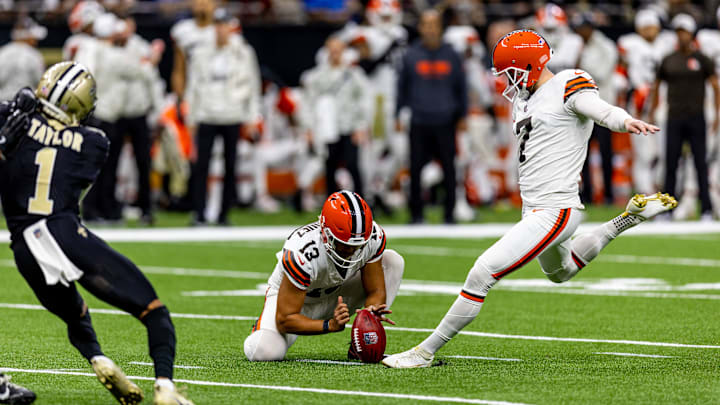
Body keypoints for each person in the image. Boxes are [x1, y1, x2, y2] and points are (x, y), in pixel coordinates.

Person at [382, 29, 677, 368]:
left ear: (529, 66)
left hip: (556, 209)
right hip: (536, 208)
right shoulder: (527, 97)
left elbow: (597, 108)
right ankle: (627, 219)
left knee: (481, 273)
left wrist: (625, 121)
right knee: (561, 272)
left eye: (510, 72)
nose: (507, 81)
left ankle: (424, 352)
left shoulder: (568, 82)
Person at [0, 62, 193, 404]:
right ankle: (165, 387)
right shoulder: (95, 142)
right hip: (65, 234)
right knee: (153, 311)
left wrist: (11, 120)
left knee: (76, 313)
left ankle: (98, 358)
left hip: (25, 248)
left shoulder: (14, 128)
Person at [244, 191, 404, 361]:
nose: (351, 252)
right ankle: (261, 329)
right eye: (343, 245)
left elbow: (376, 291)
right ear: (326, 233)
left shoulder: (372, 237)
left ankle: (359, 346)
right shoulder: (301, 251)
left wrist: (370, 316)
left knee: (392, 261)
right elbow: (285, 319)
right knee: (264, 352)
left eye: (357, 246)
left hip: (338, 294)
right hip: (299, 303)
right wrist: (329, 325)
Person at [186, 8, 261, 225]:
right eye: (217, 24)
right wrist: (191, 117)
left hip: (232, 114)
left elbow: (253, 86)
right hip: (207, 114)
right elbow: (193, 85)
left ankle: (224, 213)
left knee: (231, 165)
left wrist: (252, 118)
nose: (220, 29)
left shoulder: (243, 53)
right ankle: (199, 212)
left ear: (231, 27)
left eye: (224, 24)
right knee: (201, 166)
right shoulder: (201, 52)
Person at [396, 10, 467, 224]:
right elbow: (402, 88)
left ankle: (449, 213)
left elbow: (461, 87)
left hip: (446, 119)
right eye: (426, 24)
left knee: (449, 168)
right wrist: (397, 114)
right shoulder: (410, 54)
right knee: (415, 169)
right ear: (420, 27)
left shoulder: (452, 54)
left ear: (440, 27)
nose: (430, 29)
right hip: (419, 119)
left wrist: (462, 115)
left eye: (434, 24)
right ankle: (416, 214)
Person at [650, 14, 718, 221]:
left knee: (700, 164)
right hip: (674, 117)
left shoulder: (702, 59)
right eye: (679, 31)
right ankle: (667, 209)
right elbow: (657, 85)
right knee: (671, 164)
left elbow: (715, 86)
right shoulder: (669, 59)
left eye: (685, 31)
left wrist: (717, 114)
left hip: (697, 117)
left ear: (691, 34)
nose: (682, 36)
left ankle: (705, 209)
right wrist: (653, 110)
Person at [302, 37, 370, 198]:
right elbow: (309, 103)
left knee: (353, 165)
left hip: (349, 126)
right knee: (329, 166)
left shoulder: (353, 74)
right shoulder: (317, 76)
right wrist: (309, 128)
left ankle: (361, 204)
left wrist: (361, 126)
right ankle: (332, 207)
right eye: (332, 50)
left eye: (338, 50)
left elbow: (364, 100)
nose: (335, 54)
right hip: (327, 128)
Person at [617, 9, 675, 195]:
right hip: (639, 100)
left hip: (664, 99)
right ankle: (644, 191)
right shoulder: (630, 44)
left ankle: (660, 187)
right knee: (643, 153)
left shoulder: (667, 42)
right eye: (646, 27)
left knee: (663, 150)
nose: (650, 31)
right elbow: (621, 71)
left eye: (652, 26)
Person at [573, 13, 617, 204]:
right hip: (584, 108)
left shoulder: (605, 47)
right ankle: (587, 193)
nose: (579, 32)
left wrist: (581, 66)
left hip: (603, 105)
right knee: (583, 154)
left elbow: (600, 74)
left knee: (606, 152)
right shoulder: (581, 46)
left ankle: (608, 193)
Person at [0, 17, 46, 101]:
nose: (36, 40)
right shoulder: (34, 55)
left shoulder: (2, 52)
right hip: (26, 105)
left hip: (2, 104)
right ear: (26, 35)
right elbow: (41, 84)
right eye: (33, 37)